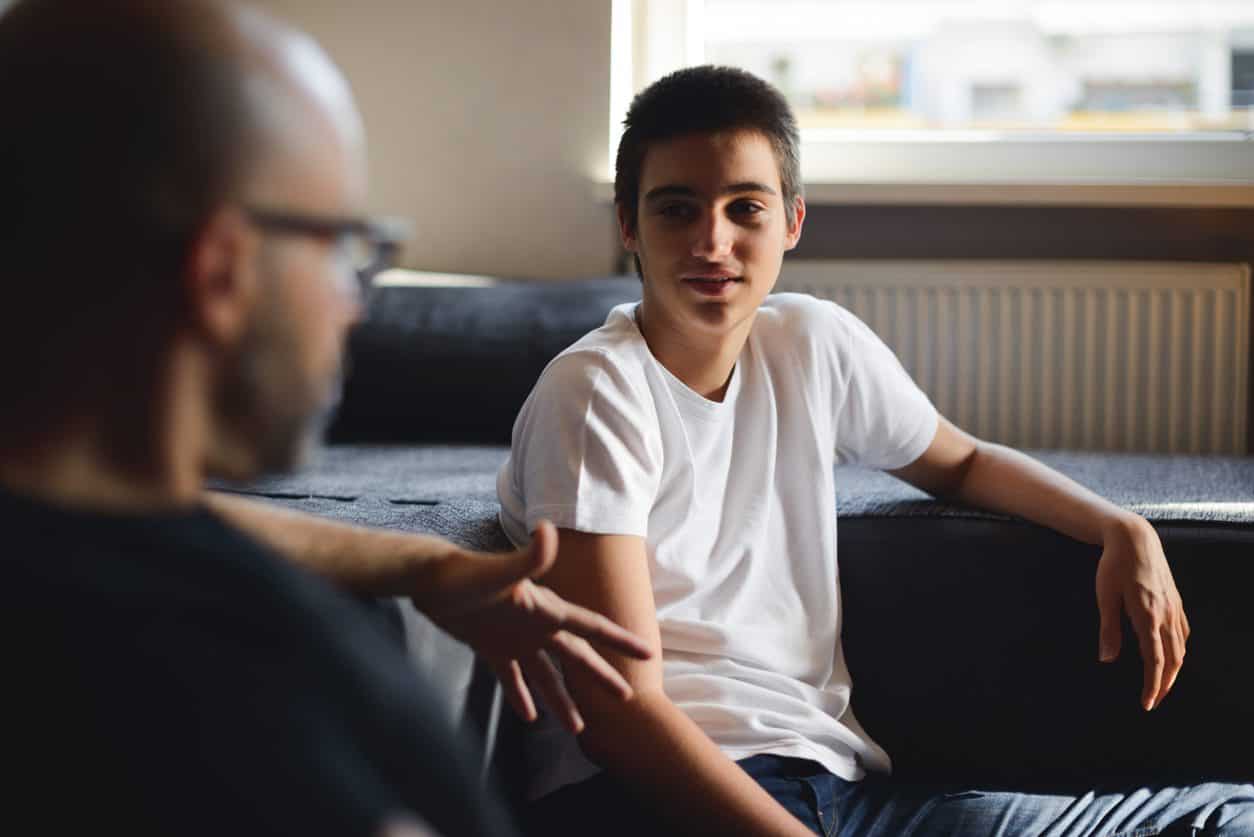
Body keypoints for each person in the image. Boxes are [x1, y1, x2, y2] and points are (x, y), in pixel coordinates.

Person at [495, 65, 1254, 835]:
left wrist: (1121, 527)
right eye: (677, 209)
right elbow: (621, 709)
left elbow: (960, 461)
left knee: (1225, 817)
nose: (712, 241)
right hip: (661, 799)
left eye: (744, 208)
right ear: (629, 223)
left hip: (838, 788)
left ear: (791, 222)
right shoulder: (595, 393)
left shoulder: (811, 343)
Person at [0, 1, 647, 834]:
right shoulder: (235, 704)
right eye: (346, 247)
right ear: (223, 270)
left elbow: (146, 517)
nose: (354, 304)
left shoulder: (71, 515)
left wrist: (423, 565)